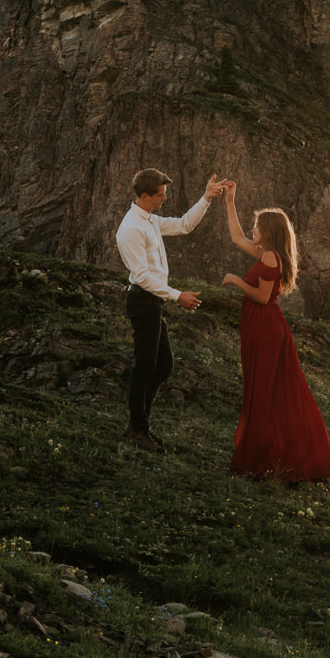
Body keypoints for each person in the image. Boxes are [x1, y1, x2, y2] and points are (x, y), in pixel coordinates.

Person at [216, 180, 330, 483]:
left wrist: (235, 280)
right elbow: (235, 237)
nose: (253, 231)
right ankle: (270, 454)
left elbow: (261, 297)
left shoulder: (270, 257)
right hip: (261, 327)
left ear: (269, 232)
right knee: (267, 390)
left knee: (266, 390)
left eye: (257, 227)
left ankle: (266, 458)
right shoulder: (265, 253)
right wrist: (230, 200)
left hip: (266, 327)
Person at [114, 167, 219, 452]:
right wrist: (178, 296)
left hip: (154, 302)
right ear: (145, 195)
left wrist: (206, 198)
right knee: (145, 367)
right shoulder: (131, 228)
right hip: (142, 300)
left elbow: (184, 224)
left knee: (163, 365)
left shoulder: (149, 220)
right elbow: (143, 276)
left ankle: (139, 425)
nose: (164, 199)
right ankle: (137, 429)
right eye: (160, 195)